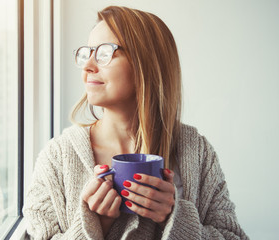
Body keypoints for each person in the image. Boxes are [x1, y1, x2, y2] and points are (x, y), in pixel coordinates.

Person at [22, 6, 249, 240]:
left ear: (147, 63)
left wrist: (174, 218)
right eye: (87, 53)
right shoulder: (57, 157)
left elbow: (233, 236)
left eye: (104, 53)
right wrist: (94, 224)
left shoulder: (197, 153)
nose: (88, 66)